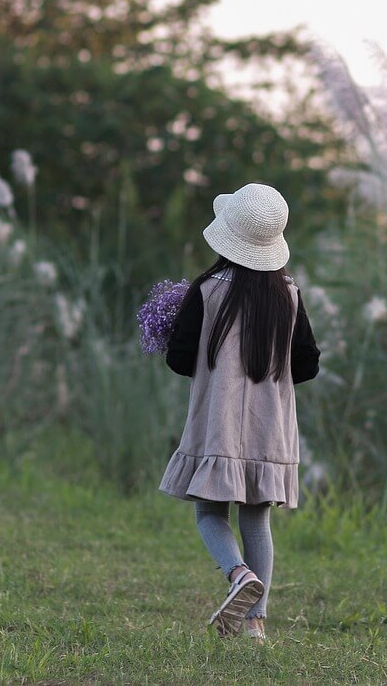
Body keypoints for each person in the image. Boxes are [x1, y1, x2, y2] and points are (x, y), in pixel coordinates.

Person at [159, 183, 321, 642]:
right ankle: (255, 625)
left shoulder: (207, 290)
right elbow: (307, 363)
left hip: (219, 424)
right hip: (271, 429)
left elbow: (179, 358)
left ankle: (237, 575)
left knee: (210, 513)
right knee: (256, 519)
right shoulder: (288, 295)